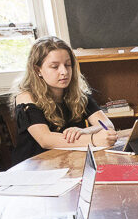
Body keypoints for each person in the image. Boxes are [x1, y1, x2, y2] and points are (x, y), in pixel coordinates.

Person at [12, 36, 117, 164]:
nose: (64, 72)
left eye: (68, 65)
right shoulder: (26, 97)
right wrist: (93, 139)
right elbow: (46, 139)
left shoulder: (77, 93)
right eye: (55, 67)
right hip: (36, 168)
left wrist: (84, 131)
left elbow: (106, 124)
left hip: (69, 162)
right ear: (37, 69)